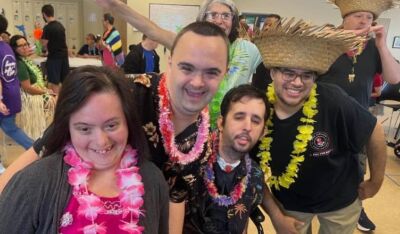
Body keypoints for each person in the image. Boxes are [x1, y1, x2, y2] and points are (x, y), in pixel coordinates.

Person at [252, 18, 387, 234]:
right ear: (272, 73)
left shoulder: (333, 99)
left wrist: (375, 182)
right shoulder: (258, 110)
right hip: (289, 203)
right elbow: (253, 171)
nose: (297, 82)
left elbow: (375, 131)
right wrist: (276, 217)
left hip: (340, 201)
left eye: (306, 75)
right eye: (289, 73)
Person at [0, 65, 169, 233]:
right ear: (67, 128)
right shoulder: (34, 183)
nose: (101, 141)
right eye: (84, 129)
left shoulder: (152, 180)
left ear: (128, 121)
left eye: (111, 125)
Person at [94, 0, 262, 128]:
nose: (219, 21)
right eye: (213, 15)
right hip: (191, 126)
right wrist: (115, 5)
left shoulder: (248, 50)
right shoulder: (190, 42)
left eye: (226, 15)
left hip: (231, 130)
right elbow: (153, 31)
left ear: (233, 21)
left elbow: (278, 66)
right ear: (202, 19)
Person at [319, 1, 400, 231]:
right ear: (344, 19)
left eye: (367, 17)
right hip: (324, 119)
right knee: (320, 164)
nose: (363, 21)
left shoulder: (373, 48)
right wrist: (333, 40)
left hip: (359, 122)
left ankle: (356, 208)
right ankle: (320, 204)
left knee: (356, 168)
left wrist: (382, 44)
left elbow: (394, 78)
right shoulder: (327, 42)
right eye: (357, 16)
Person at [187, 84, 267, 233]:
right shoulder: (192, 161)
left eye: (256, 121)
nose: (247, 127)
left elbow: (244, 218)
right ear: (220, 123)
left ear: (263, 132)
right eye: (239, 117)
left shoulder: (256, 176)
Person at [0, 14, 33, 174]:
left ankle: (36, 150)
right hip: (12, 94)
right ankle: (36, 149)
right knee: (10, 128)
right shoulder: (6, 46)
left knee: (10, 128)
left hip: (3, 96)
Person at [10, 34, 56, 139]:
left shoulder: (26, 61)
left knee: (57, 97)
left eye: (26, 44)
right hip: (28, 95)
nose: (25, 47)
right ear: (14, 49)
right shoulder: (19, 64)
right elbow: (27, 88)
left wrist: (45, 89)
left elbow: (36, 82)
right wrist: (45, 92)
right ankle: (53, 134)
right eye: (21, 46)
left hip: (35, 91)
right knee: (56, 100)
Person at [41, 4, 70, 95]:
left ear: (44, 14)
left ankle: (56, 102)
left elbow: (43, 43)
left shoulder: (47, 27)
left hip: (54, 58)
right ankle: (66, 100)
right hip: (64, 56)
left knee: (54, 82)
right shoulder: (60, 25)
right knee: (65, 80)